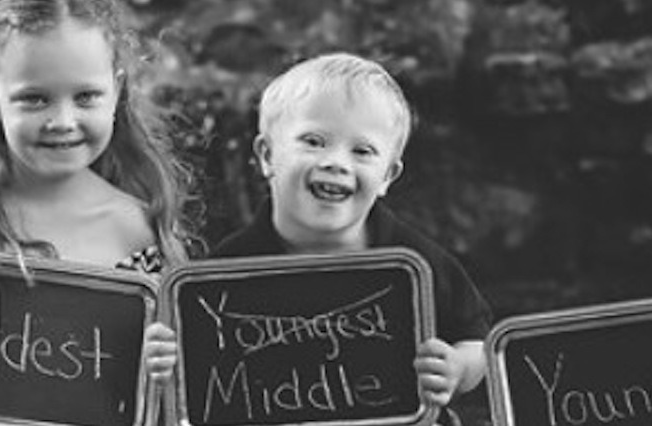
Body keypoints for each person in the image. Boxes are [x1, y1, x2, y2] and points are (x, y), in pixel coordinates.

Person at [0, 0, 189, 394]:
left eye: (86, 96)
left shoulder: (141, 232)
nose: (62, 122)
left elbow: (161, 380)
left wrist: (163, 362)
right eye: (35, 99)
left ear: (117, 91)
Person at [211, 52, 493, 424]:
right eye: (314, 141)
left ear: (388, 177)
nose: (336, 162)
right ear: (267, 155)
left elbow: (480, 343)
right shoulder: (223, 271)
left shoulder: (414, 262)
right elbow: (193, 369)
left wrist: (456, 369)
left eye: (362, 151)